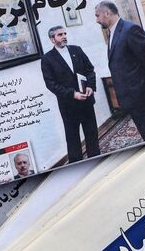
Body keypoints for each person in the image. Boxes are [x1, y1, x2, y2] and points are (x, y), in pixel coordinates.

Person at [95, 1, 145, 141]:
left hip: (141, 93)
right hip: (131, 95)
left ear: (107, 13)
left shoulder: (130, 29)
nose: (97, 20)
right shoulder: (113, 32)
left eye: (98, 15)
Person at [40, 26, 101, 163]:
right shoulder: (47, 59)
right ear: (52, 39)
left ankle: (96, 160)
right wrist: (72, 94)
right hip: (68, 106)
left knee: (92, 134)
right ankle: (77, 166)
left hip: (86, 102)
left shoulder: (77, 50)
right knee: (72, 138)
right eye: (60, 35)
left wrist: (91, 86)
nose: (64, 36)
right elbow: (51, 84)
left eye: (64, 33)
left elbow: (90, 70)